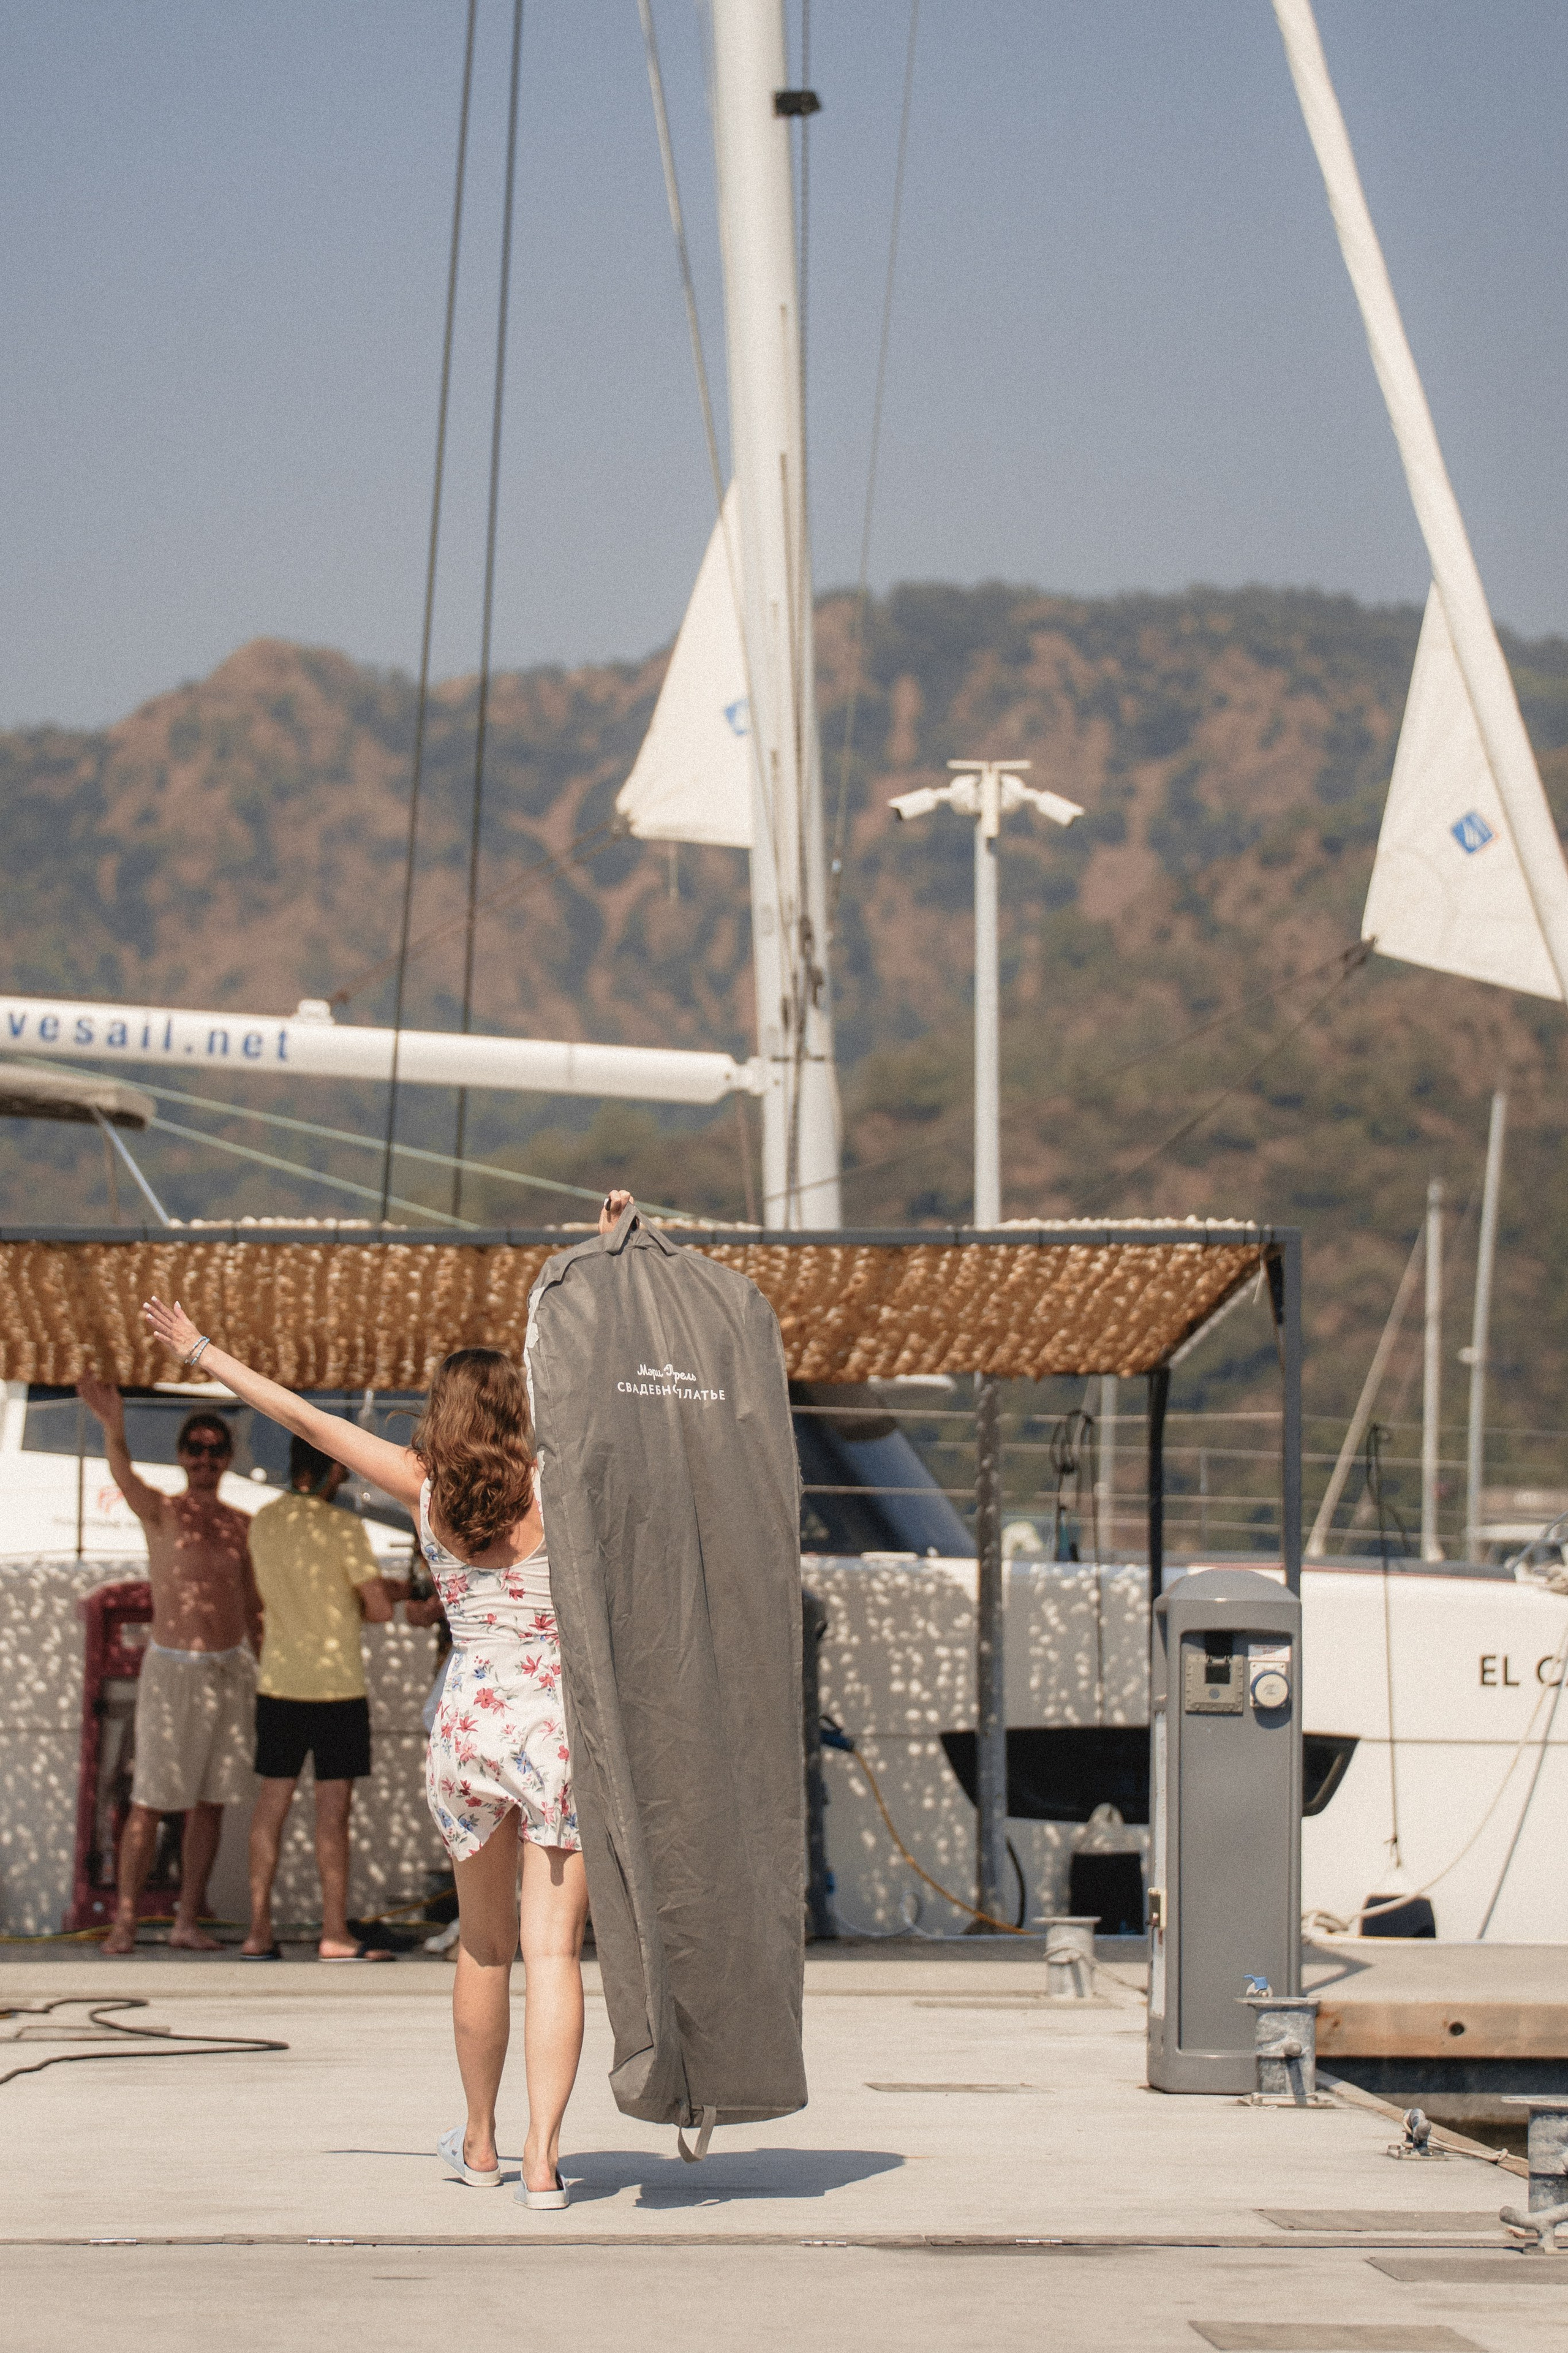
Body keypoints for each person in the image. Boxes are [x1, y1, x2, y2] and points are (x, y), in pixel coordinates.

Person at [136, 1188, 632, 2205]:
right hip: (555, 1730)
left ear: (445, 1416)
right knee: (555, 1949)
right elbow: (604, 1374)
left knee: (485, 1949)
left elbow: (303, 1417)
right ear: (517, 1410)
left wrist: (203, 1353)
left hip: (465, 1728)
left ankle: (483, 2144)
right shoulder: (560, 1484)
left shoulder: (426, 1487)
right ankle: (545, 2161)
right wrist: (613, 1250)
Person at [75, 1382, 262, 1957]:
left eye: (215, 1450)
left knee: (211, 1801)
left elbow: (253, 1601)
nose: (205, 1458)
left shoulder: (242, 1524)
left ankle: (186, 1918)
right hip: (171, 1669)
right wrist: (114, 1424)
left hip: (229, 1670)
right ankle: (126, 1920)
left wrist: (269, 1663)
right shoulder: (161, 1509)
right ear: (183, 1456)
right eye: (196, 1448)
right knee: (151, 1800)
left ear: (227, 1459)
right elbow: (124, 1474)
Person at [243, 1435, 399, 1963]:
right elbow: (378, 1608)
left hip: (279, 1682)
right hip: (337, 1689)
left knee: (270, 1808)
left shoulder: (263, 1521)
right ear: (333, 1471)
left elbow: (256, 1598)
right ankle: (334, 1931)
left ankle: (258, 1929)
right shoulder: (346, 1527)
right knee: (331, 1816)